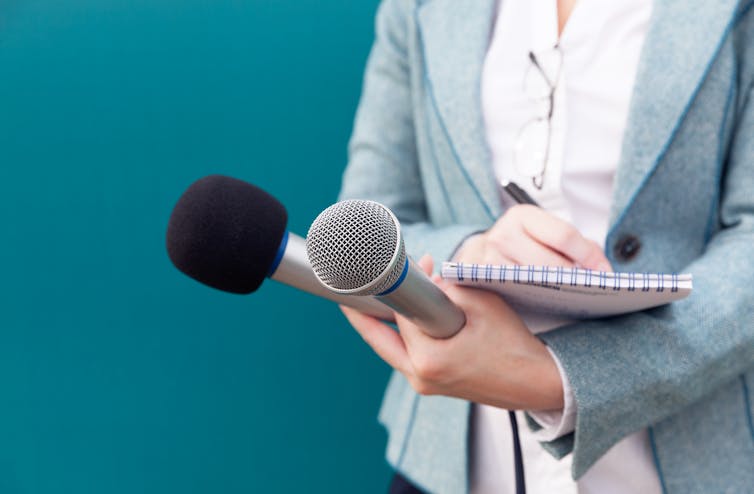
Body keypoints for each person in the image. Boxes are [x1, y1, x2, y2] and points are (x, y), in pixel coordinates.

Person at [337, 0, 754, 493]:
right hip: (449, 468)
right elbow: (367, 215)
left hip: (689, 462)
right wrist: (471, 253)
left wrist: (562, 378)